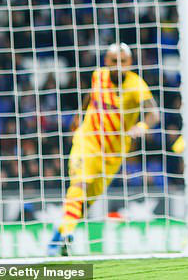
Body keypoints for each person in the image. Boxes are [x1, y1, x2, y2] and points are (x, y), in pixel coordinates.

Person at [48, 43, 159, 256]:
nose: (118, 66)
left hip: (114, 153)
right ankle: (65, 236)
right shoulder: (98, 75)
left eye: (123, 62)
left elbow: (153, 113)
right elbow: (90, 97)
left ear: (130, 64)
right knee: (79, 184)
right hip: (88, 140)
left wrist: (142, 126)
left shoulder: (137, 85)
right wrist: (77, 117)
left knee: (87, 200)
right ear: (106, 61)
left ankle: (57, 237)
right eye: (113, 61)